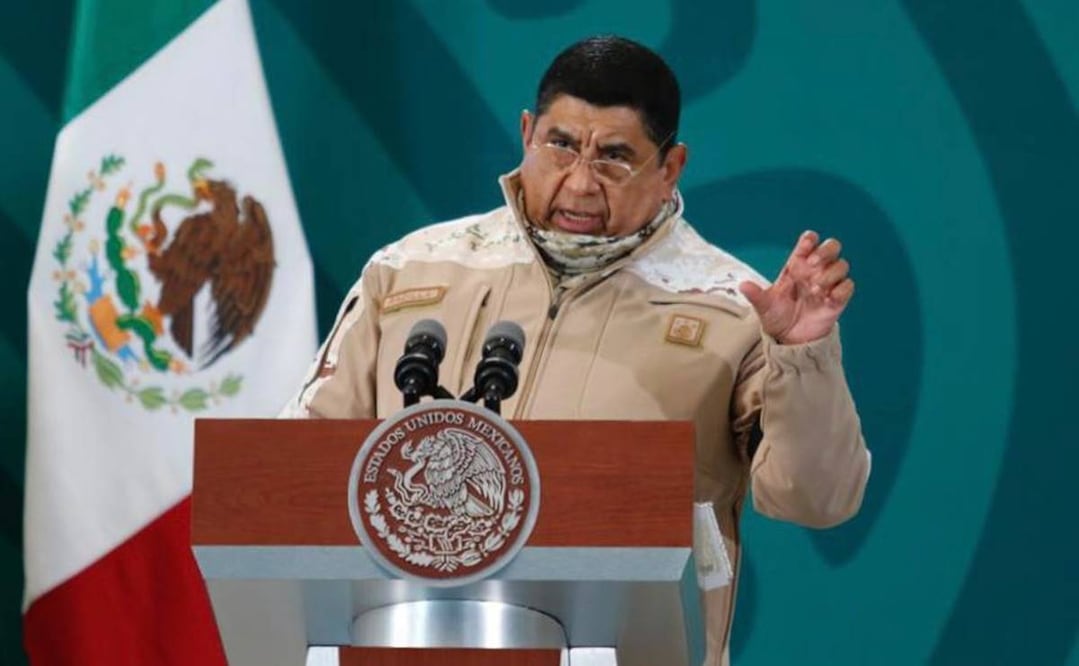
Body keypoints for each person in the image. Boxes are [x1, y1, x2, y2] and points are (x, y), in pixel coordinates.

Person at [282, 35, 869, 666]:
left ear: (670, 167)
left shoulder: (731, 308)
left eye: (615, 157)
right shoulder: (410, 271)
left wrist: (803, 354)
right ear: (528, 133)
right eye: (560, 146)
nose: (581, 182)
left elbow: (816, 499)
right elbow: (294, 476)